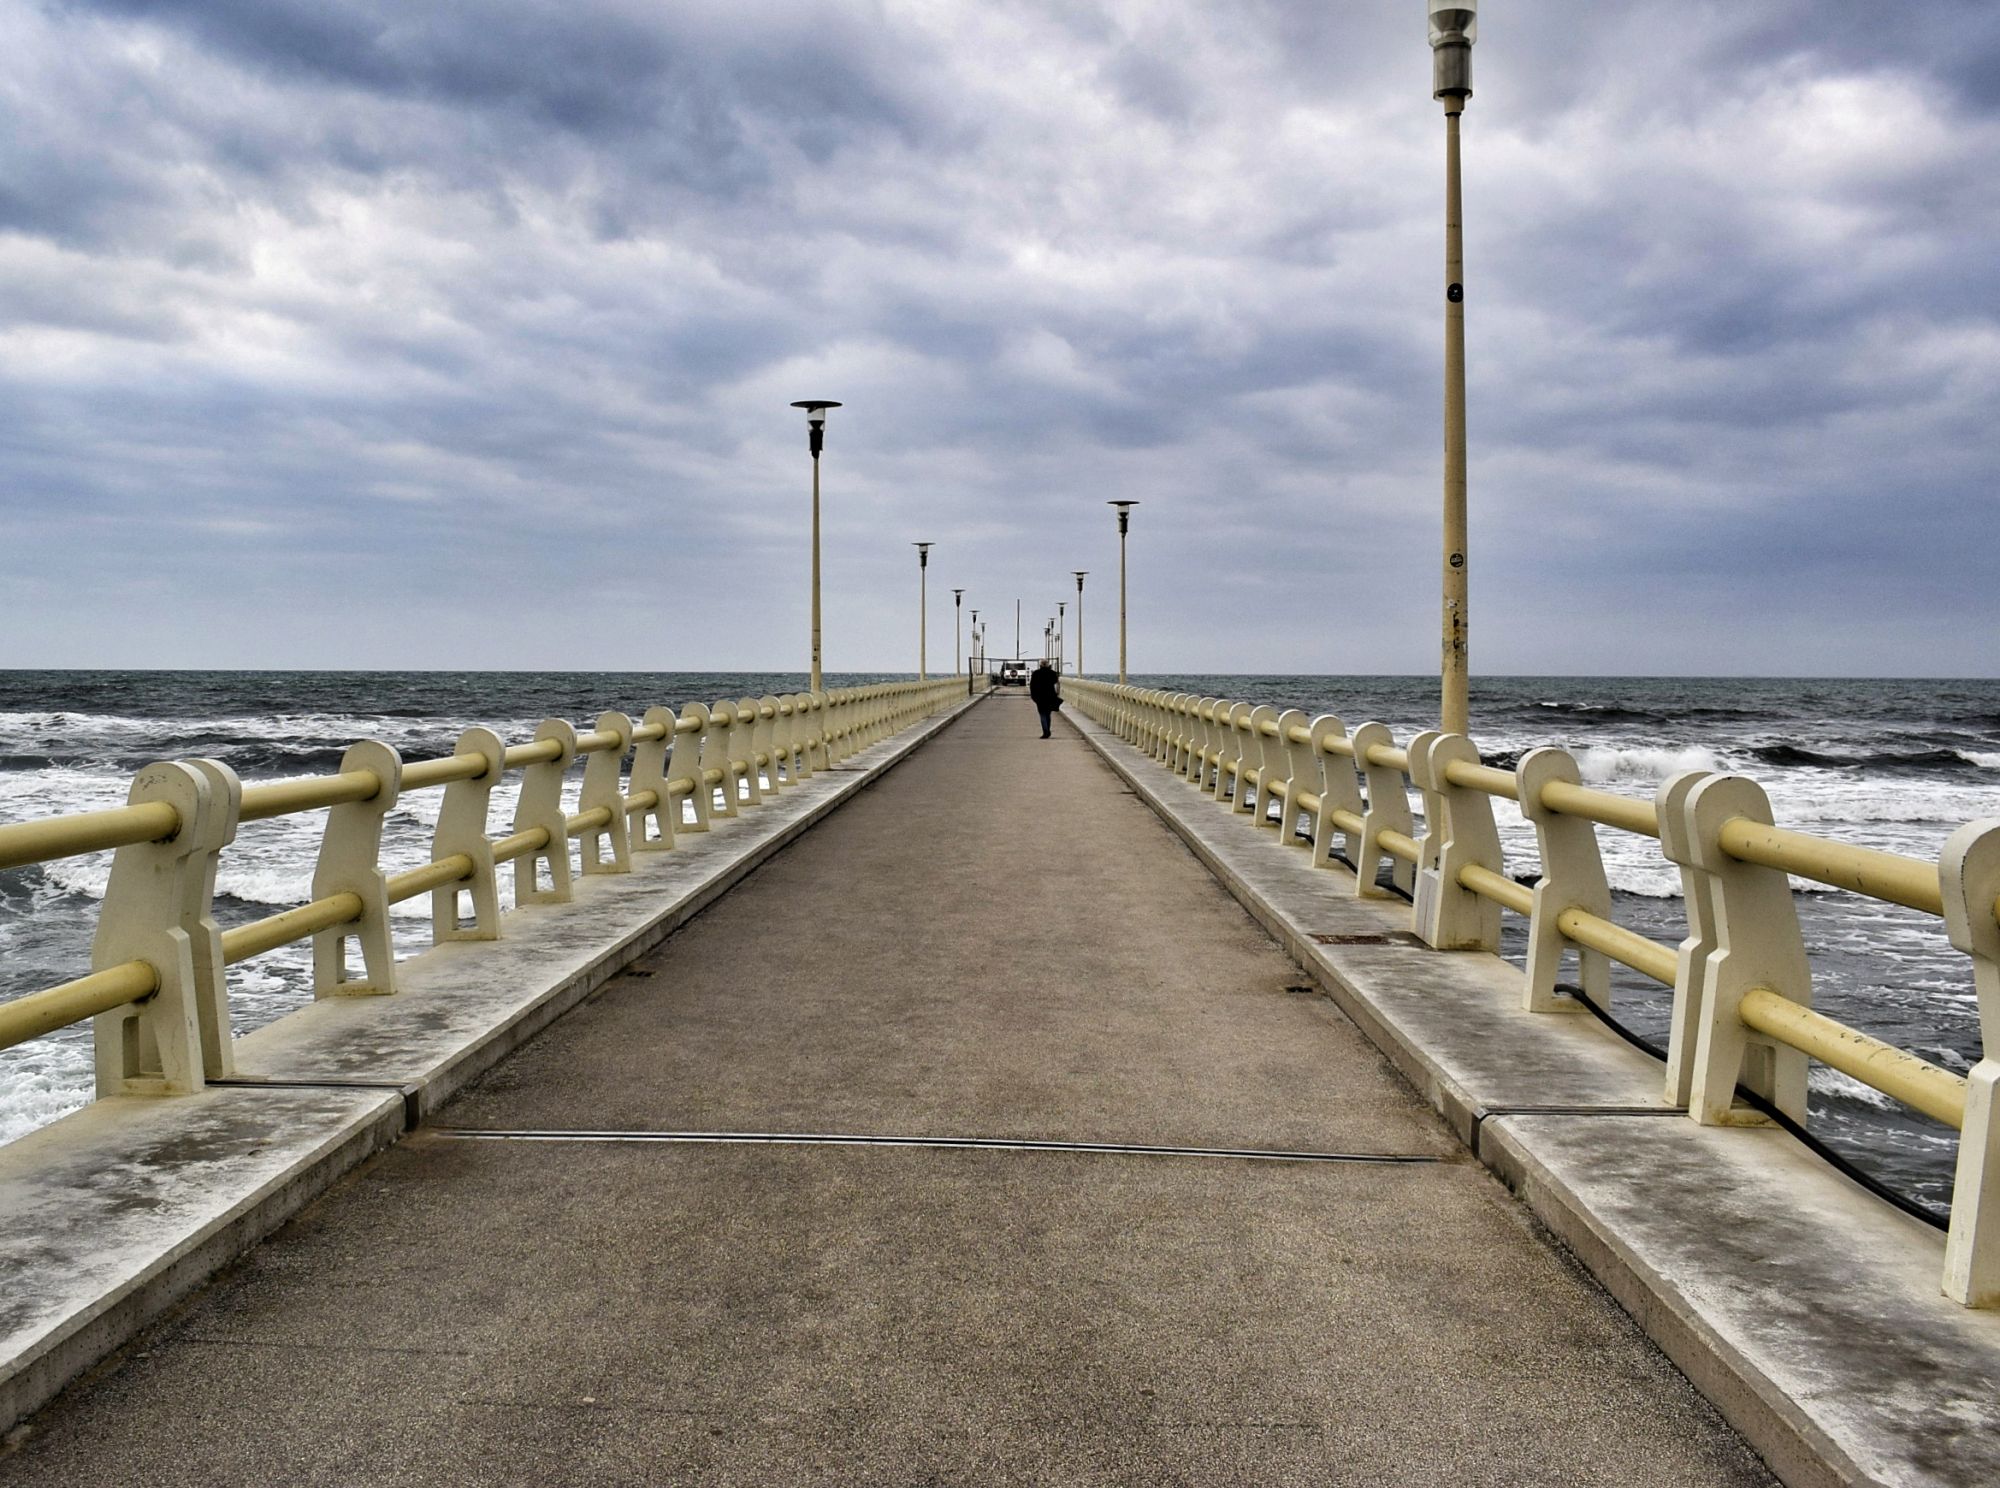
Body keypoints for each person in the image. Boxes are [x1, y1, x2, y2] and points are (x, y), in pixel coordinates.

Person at [1029, 660, 1062, 738]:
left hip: (1039, 696)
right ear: (1048, 665)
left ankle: (1046, 731)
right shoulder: (1053, 673)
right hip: (1050, 696)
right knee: (1048, 714)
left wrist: (1033, 696)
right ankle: (1047, 730)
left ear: (1040, 665)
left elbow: (1032, 686)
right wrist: (1057, 693)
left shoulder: (1036, 673)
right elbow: (1057, 683)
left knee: (1042, 714)